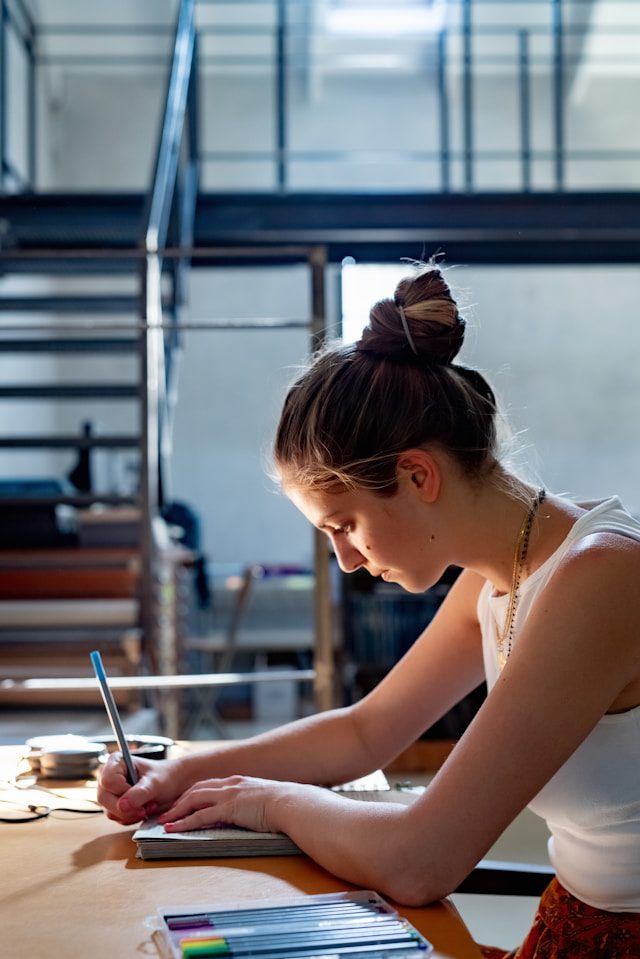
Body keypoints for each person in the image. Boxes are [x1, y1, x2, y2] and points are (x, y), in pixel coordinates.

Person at [98, 264, 640, 957]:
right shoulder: (501, 573)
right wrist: (182, 772)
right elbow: (365, 732)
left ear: (418, 475)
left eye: (344, 524)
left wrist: (267, 801)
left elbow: (423, 859)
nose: (347, 560)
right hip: (579, 923)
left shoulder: (601, 576)